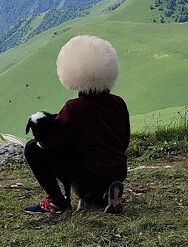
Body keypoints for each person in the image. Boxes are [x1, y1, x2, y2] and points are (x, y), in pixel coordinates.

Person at [23, 35, 130, 214]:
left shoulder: (74, 107)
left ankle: (58, 201)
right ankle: (103, 195)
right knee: (93, 160)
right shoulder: (119, 102)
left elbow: (50, 143)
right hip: (118, 170)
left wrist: (41, 132)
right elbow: (124, 140)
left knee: (33, 148)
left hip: (89, 173)